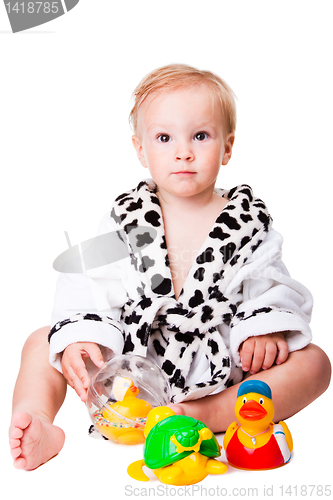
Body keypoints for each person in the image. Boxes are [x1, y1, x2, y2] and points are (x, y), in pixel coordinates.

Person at [9, 64, 331, 470]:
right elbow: (89, 286)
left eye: (200, 136)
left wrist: (262, 330)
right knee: (44, 341)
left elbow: (273, 286)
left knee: (315, 362)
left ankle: (207, 415)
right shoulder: (127, 219)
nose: (184, 151)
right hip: (133, 373)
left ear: (227, 147)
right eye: (164, 138)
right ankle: (39, 419)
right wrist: (80, 337)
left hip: (224, 367)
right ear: (140, 149)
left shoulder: (248, 223)